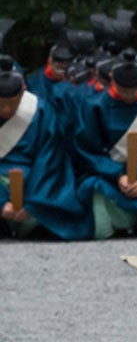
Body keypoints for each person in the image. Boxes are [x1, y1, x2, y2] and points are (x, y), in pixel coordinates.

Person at [70, 50, 137, 237]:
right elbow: (87, 150)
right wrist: (117, 176)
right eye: (123, 90)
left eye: (135, 90)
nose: (129, 96)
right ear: (111, 78)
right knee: (94, 187)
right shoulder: (94, 106)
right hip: (110, 179)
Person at [0, 57, 91, 240]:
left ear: (24, 91)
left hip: (34, 180)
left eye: (13, 103)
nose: (7, 110)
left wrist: (32, 201)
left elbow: (50, 158)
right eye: (1, 104)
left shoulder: (40, 110)